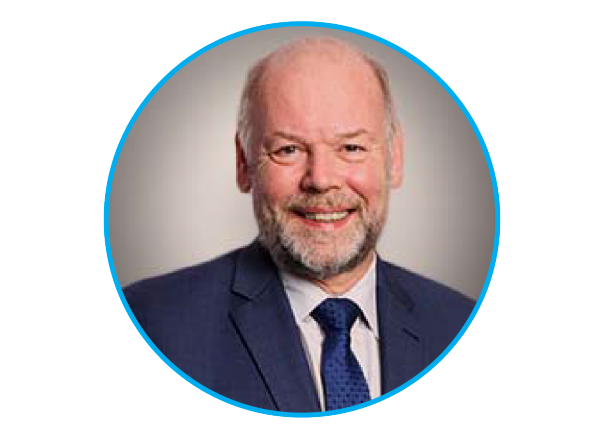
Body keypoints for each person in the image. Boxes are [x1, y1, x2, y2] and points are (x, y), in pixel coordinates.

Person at [124, 37, 475, 413]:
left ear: (394, 159)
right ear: (244, 165)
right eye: (288, 149)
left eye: (351, 148)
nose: (321, 179)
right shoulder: (149, 326)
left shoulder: (463, 327)